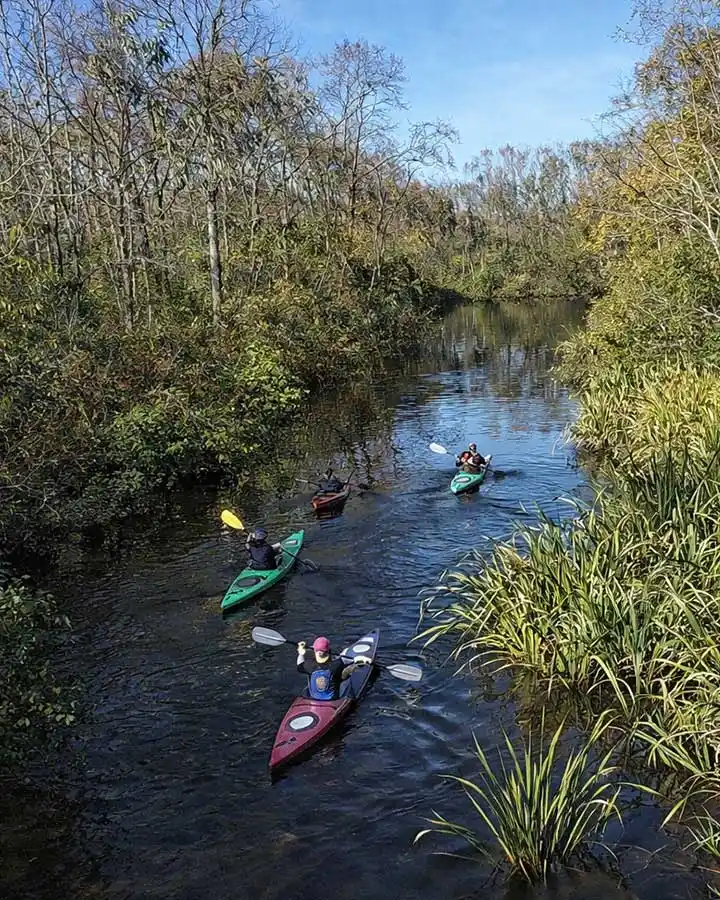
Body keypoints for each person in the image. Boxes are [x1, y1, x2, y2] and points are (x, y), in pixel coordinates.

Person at [296, 636, 373, 700]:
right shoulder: (337, 664)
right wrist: (362, 659)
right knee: (345, 674)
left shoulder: (308, 665)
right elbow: (352, 658)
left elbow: (299, 664)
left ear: (314, 651)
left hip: (314, 698)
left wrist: (301, 652)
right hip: (333, 699)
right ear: (329, 650)